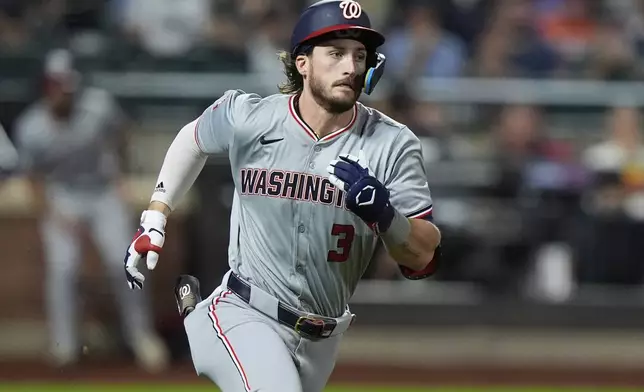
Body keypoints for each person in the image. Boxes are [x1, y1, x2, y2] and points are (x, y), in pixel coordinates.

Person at [123, 1, 442, 391]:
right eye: (336, 53)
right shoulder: (251, 118)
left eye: (360, 55)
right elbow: (193, 138)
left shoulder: (393, 144)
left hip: (322, 338)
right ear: (302, 63)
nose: (350, 66)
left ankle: (194, 315)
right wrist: (155, 215)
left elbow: (424, 258)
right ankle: (204, 321)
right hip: (245, 310)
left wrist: (388, 218)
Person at [14, 48, 169, 372]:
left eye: (68, 85)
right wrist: (52, 214)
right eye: (57, 86)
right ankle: (65, 345)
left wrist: (121, 174)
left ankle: (141, 336)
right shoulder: (32, 127)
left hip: (102, 192)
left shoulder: (97, 106)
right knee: (63, 268)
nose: (64, 93)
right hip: (62, 196)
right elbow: (33, 178)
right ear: (46, 87)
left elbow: (122, 134)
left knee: (124, 261)